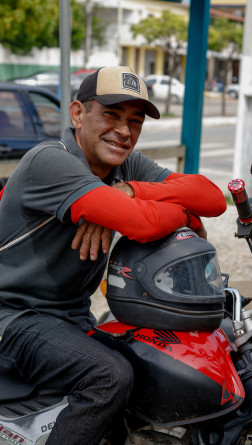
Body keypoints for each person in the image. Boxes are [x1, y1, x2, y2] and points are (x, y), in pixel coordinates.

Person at [0, 66, 226, 444]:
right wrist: (168, 211)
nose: (124, 131)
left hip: (68, 317)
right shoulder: (49, 161)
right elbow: (142, 223)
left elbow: (211, 197)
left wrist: (131, 192)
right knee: (109, 375)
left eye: (134, 122)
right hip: (13, 317)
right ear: (77, 114)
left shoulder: (125, 167)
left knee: (157, 360)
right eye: (111, 115)